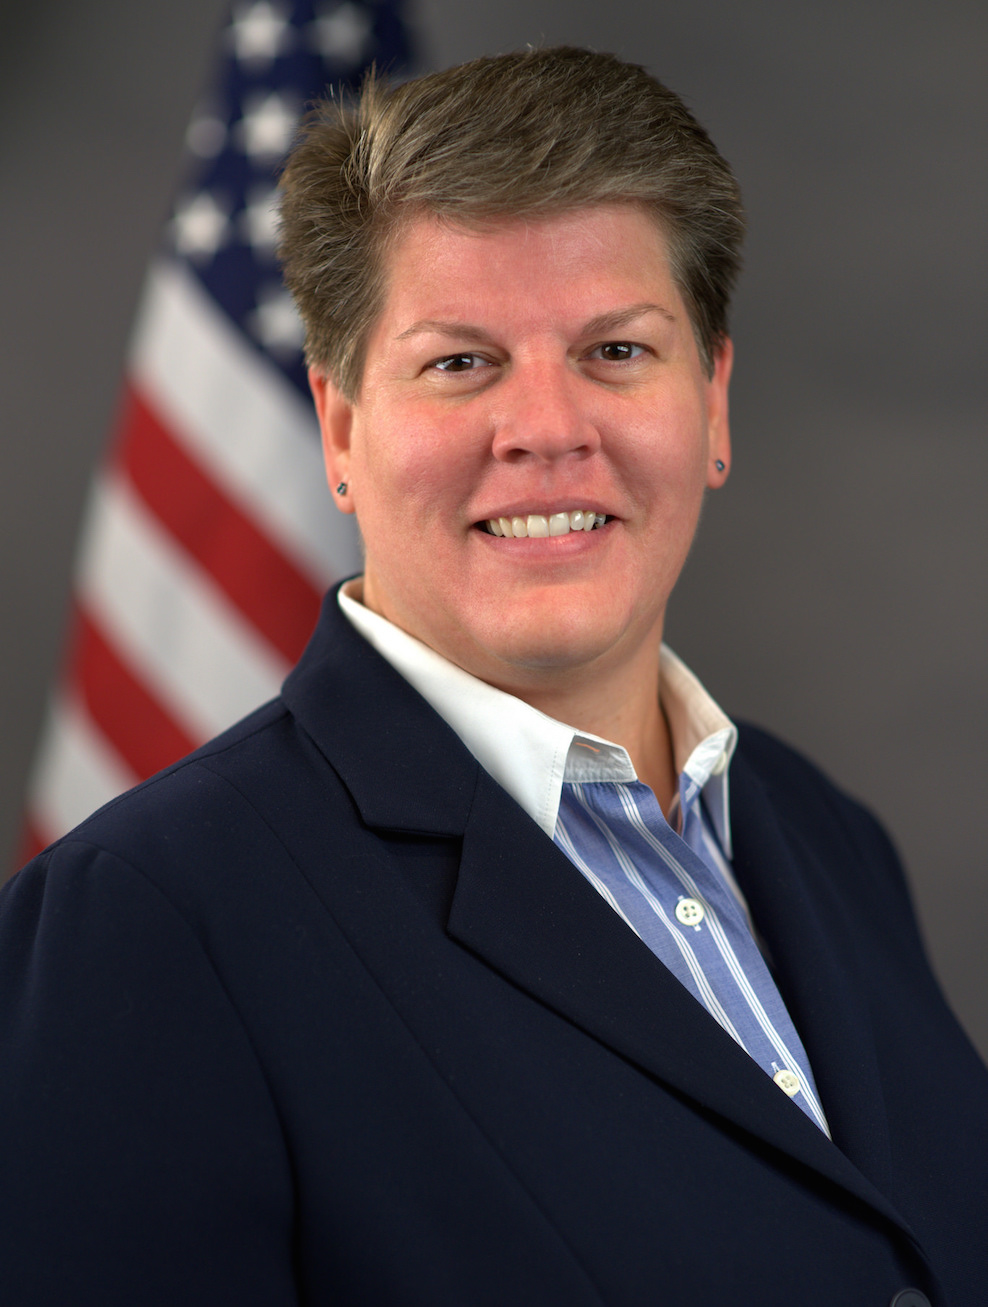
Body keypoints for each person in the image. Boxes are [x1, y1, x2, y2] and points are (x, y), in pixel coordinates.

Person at [0, 47, 984, 1307]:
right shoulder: (145, 918)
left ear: (713, 402)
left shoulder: (823, 835)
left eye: (615, 350)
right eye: (460, 362)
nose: (548, 429)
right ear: (339, 427)